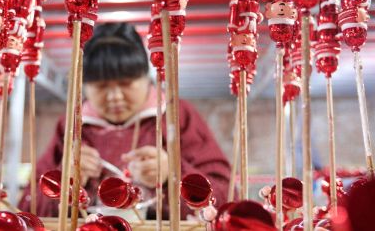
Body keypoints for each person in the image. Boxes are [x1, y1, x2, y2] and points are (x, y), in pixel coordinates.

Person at [18, 22, 231, 220]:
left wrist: (173, 175)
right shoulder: (73, 124)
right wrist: (65, 181)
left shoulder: (176, 116)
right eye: (101, 86)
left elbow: (226, 197)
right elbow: (29, 209)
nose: (114, 97)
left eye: (126, 83)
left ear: (146, 78)